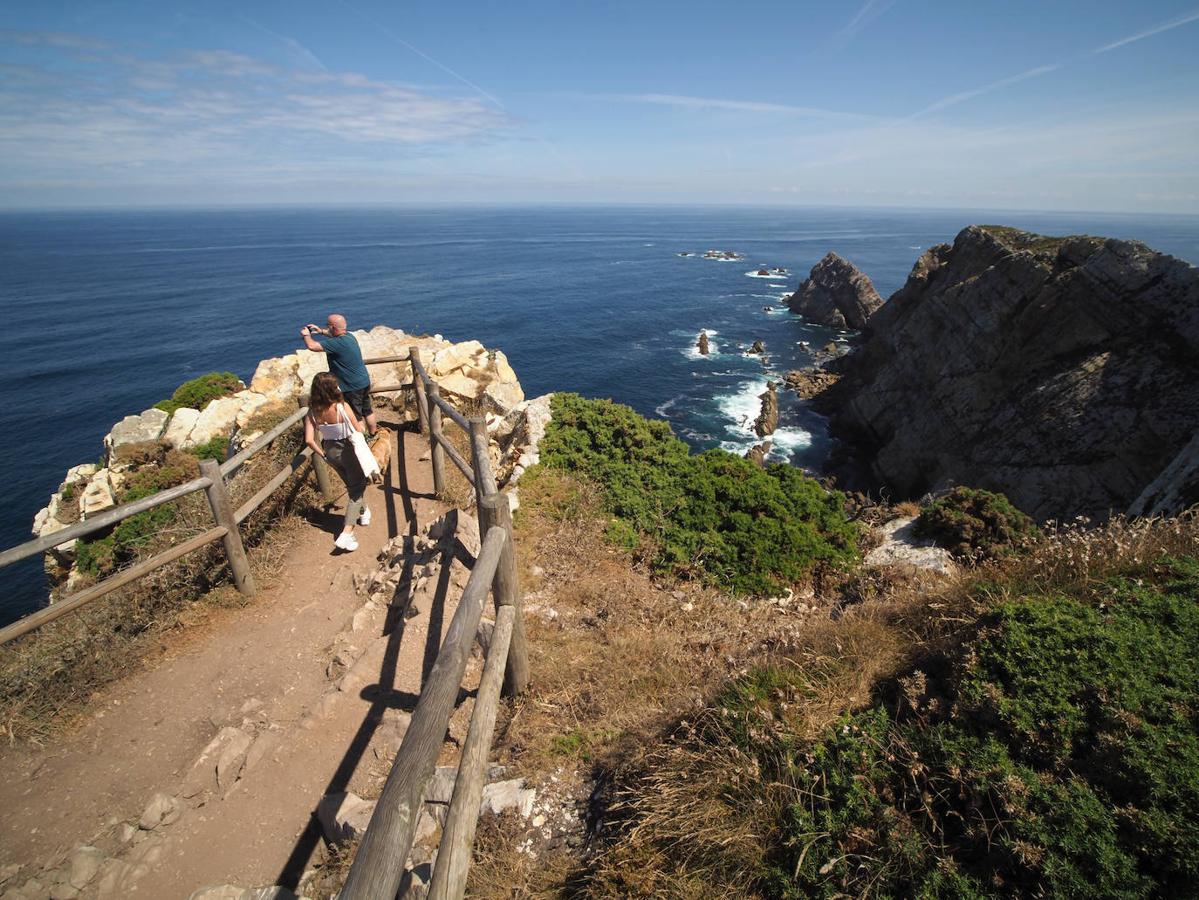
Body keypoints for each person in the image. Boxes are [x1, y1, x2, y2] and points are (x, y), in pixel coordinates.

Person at [303, 372, 372, 552]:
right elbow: (358, 430)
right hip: (349, 450)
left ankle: (363, 513)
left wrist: (323, 454)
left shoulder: (312, 412)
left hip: (330, 452)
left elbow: (309, 440)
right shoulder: (341, 407)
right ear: (331, 389)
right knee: (357, 490)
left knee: (351, 484)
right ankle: (346, 533)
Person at [300, 314, 379, 436]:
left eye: (328, 326)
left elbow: (312, 346)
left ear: (332, 327)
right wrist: (321, 331)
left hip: (351, 386)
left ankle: (362, 441)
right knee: (367, 411)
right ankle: (374, 435)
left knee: (356, 417)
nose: (327, 328)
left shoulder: (336, 344)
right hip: (363, 381)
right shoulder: (349, 337)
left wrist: (306, 335)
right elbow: (333, 333)